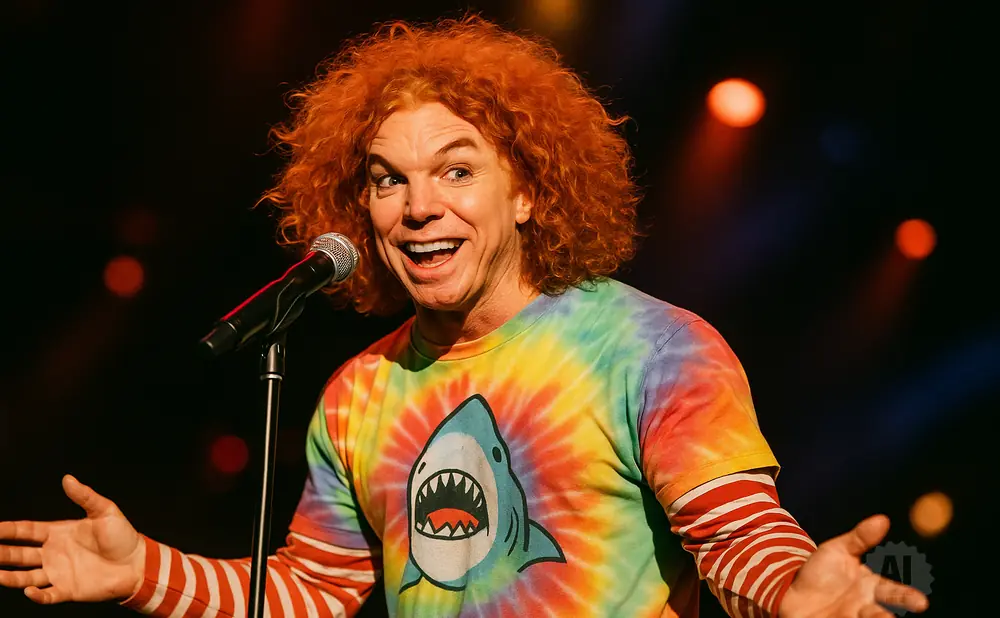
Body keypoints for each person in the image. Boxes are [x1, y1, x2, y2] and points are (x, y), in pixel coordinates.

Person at [0, 16, 929, 618]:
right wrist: (143, 572)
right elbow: (309, 589)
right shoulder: (359, 392)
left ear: (527, 190)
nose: (417, 206)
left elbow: (737, 534)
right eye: (386, 180)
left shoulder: (651, 347)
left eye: (455, 169)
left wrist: (791, 588)